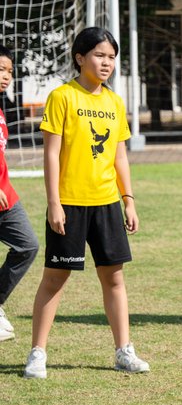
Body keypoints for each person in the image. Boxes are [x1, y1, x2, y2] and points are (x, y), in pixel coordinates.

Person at [23, 28, 145, 379]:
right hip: (70, 204)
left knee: (114, 279)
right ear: (80, 57)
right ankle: (37, 353)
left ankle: (124, 351)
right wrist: (54, 203)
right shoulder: (62, 97)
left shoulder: (114, 102)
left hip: (106, 203)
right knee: (55, 279)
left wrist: (129, 200)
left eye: (111, 57)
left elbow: (120, 156)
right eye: (99, 55)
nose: (106, 63)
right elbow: (51, 154)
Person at [0, 45, 39, 345]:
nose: (6, 76)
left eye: (10, 72)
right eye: (1, 69)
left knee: (27, 245)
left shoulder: (1, 110)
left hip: (6, 197)